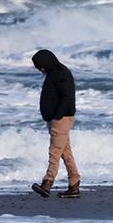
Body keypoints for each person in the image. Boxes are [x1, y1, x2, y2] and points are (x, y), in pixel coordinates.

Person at [30, 49, 80, 199]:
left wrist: (57, 116)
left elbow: (67, 97)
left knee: (54, 152)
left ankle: (47, 182)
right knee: (65, 153)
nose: (40, 69)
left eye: (40, 66)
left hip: (61, 119)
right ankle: (74, 183)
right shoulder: (54, 73)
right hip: (56, 119)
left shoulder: (61, 74)